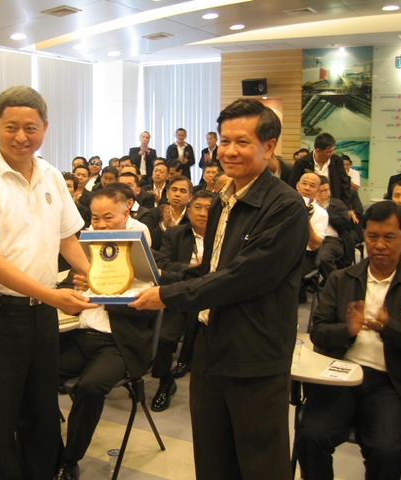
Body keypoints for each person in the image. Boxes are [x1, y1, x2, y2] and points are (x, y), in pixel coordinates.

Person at [131, 99, 308, 479]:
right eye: (224, 141)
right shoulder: (221, 202)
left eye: (242, 142)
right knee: (212, 459)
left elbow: (243, 277)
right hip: (208, 344)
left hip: (255, 352)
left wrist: (167, 296)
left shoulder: (286, 207)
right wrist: (150, 279)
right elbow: (210, 270)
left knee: (260, 464)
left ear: (269, 146)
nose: (229, 151)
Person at [0, 86, 96, 480]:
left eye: (31, 128)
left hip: (41, 317)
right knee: (0, 419)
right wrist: (52, 295)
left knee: (42, 411)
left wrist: (99, 279)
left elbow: (68, 238)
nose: (21, 137)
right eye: (11, 127)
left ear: (45, 128)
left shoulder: (52, 175)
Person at [295, 201, 401, 480]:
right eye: (372, 236)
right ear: (364, 236)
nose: (380, 245)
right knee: (311, 436)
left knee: (387, 450)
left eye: (389, 237)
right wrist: (347, 330)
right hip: (340, 376)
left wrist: (390, 328)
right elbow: (318, 332)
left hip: (390, 384)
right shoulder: (341, 279)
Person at [55, 188, 157, 480]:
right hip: (78, 334)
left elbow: (147, 310)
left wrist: (103, 290)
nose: (100, 225)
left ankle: (69, 459)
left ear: (126, 214)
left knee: (89, 388)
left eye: (108, 217)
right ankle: (50, 449)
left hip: (118, 344)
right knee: (34, 373)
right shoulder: (87, 249)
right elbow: (67, 289)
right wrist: (77, 290)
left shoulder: (139, 255)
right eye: (95, 218)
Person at [150, 190, 214, 412]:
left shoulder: (224, 236)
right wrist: (193, 269)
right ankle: (165, 382)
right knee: (163, 337)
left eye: (209, 208)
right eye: (198, 207)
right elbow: (164, 264)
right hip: (179, 294)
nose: (203, 213)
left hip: (213, 297)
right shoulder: (175, 233)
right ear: (189, 211)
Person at [288, 133, 353, 213]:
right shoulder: (302, 163)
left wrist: (348, 207)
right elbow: (292, 186)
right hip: (307, 207)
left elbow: (344, 185)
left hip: (332, 207)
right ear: (318, 150)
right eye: (328, 152)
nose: (331, 154)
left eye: (332, 151)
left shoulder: (337, 161)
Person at [297, 171, 328, 302]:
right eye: (304, 184)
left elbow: (315, 245)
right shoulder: (283, 205)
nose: (307, 188)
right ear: (297, 186)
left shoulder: (321, 214)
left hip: (305, 255)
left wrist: (306, 219)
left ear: (317, 191)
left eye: (312, 186)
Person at [316, 176, 352, 280]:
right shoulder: (309, 204)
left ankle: (336, 283)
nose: (324, 194)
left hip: (332, 239)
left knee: (324, 258)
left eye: (326, 190)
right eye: (320, 191)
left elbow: (344, 223)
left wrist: (324, 211)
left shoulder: (337, 204)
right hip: (311, 238)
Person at [147, 175, 193, 250]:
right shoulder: (154, 213)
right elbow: (150, 244)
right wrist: (164, 224)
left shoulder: (192, 216)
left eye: (183, 191)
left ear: (190, 197)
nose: (177, 194)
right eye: (174, 190)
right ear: (167, 194)